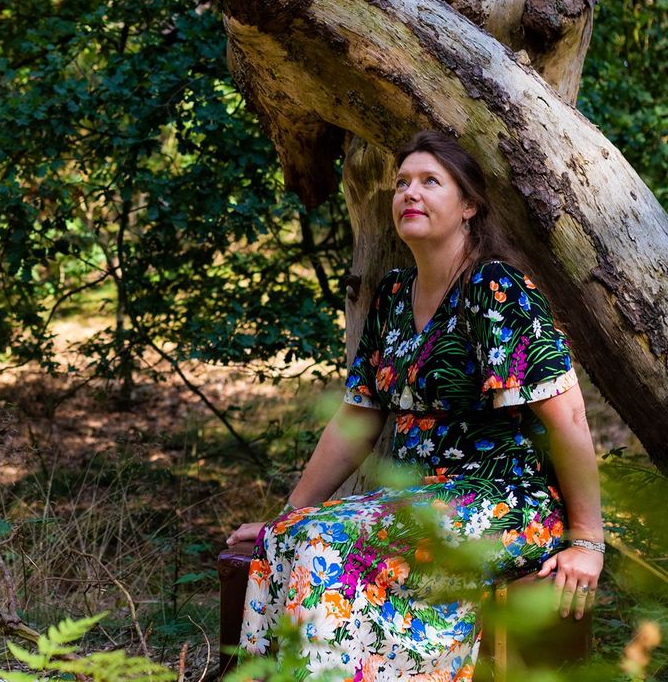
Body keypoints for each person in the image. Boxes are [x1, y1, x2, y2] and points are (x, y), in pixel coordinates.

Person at [225, 130, 604, 681]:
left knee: (324, 547)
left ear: (469, 205)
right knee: (289, 536)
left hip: (501, 504)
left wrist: (588, 542)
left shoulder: (495, 289)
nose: (410, 192)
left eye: (431, 181)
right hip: (417, 502)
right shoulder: (393, 294)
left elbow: (568, 414)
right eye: (402, 182)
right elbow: (356, 417)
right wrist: (287, 515)